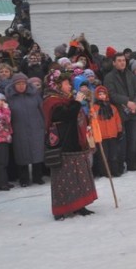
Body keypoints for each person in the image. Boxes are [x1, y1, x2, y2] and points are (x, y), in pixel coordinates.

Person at [42, 70, 98, 220]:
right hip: (63, 144)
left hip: (75, 142)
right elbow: (65, 115)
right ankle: (62, 208)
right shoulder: (51, 100)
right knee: (63, 177)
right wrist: (77, 103)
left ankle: (80, 205)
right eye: (67, 83)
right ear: (58, 85)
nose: (69, 86)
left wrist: (88, 116)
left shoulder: (67, 98)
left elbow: (76, 115)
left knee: (79, 175)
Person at [6, 72, 46, 186]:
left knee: (37, 153)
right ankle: (24, 179)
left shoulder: (35, 95)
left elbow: (42, 110)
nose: (21, 86)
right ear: (14, 85)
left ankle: (37, 177)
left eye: (23, 83)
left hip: (36, 128)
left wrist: (44, 125)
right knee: (21, 154)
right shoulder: (9, 98)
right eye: (18, 84)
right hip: (19, 129)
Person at [104, 53, 136, 173]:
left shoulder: (131, 75)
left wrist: (135, 103)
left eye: (124, 60)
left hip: (133, 112)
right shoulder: (109, 77)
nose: (122, 62)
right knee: (121, 142)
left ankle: (132, 164)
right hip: (119, 113)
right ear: (114, 63)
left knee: (133, 140)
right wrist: (127, 102)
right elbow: (111, 94)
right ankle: (120, 166)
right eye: (119, 60)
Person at [91, 85, 124, 177]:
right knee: (103, 156)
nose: (102, 96)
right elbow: (92, 122)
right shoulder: (94, 108)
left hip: (112, 134)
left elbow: (117, 120)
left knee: (113, 154)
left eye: (104, 94)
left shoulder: (112, 107)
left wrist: (119, 130)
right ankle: (105, 172)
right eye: (100, 94)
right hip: (101, 136)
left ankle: (115, 170)